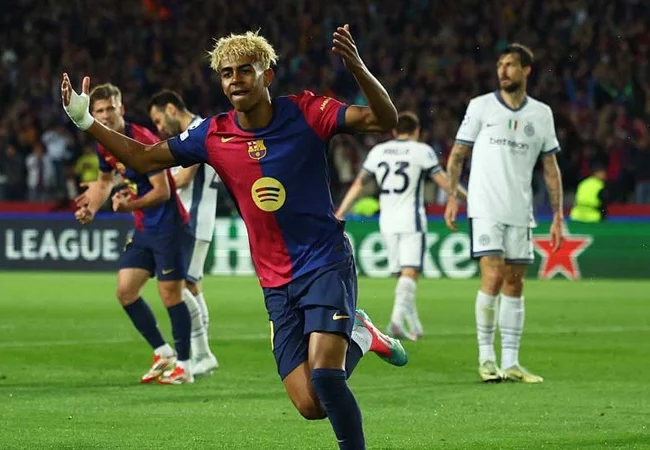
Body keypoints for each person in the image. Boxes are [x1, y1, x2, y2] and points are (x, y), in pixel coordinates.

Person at [62, 27, 408, 450]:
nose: (235, 80)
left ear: (267, 75)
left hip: (324, 261)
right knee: (309, 404)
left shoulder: (307, 111)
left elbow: (385, 119)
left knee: (327, 379)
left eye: (246, 70)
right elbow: (144, 157)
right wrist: (86, 122)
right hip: (275, 280)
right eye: (227, 73)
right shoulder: (213, 134)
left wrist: (357, 68)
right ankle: (362, 334)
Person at [444, 43, 565, 384]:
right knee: (493, 277)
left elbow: (550, 167)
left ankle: (511, 362)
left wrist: (557, 215)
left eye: (510, 64)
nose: (503, 70)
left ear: (526, 70)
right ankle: (486, 359)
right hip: (485, 206)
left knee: (515, 283)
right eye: (500, 64)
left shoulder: (541, 114)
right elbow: (457, 154)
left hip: (520, 210)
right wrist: (452, 196)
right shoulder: (481, 106)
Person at [74, 82, 196, 385]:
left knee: (170, 295)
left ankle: (185, 366)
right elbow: (104, 182)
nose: (105, 116)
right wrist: (92, 208)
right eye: (98, 111)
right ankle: (163, 352)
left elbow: (163, 191)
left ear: (121, 108)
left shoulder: (141, 140)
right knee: (125, 290)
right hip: (144, 228)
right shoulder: (103, 143)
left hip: (169, 227)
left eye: (110, 109)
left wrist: (129, 206)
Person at [335, 112, 465, 341]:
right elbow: (445, 182)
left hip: (387, 221)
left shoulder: (379, 151)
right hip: (411, 220)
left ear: (395, 131)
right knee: (410, 272)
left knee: (403, 275)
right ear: (417, 131)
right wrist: (467, 198)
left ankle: (414, 326)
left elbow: (358, 184)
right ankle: (396, 322)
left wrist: (341, 211)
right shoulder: (421, 151)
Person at [147, 89, 219, 376]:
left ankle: (202, 353)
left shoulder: (197, 130)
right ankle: (202, 354)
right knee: (191, 285)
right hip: (198, 219)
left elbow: (186, 177)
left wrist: (152, 187)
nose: (159, 128)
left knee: (179, 287)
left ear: (171, 109)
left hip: (193, 219)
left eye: (158, 120)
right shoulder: (198, 130)